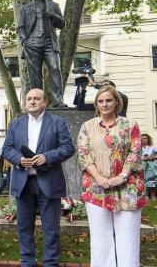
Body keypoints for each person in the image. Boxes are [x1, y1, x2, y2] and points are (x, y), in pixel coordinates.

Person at [1, 88, 75, 267]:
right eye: (29, 99)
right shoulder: (16, 124)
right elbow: (6, 149)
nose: (32, 101)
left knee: (51, 229)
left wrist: (47, 157)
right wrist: (18, 159)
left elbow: (68, 147)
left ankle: (50, 263)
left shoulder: (57, 122)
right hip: (24, 183)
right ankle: (27, 262)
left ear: (45, 102)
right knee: (24, 228)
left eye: (36, 99)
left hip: (49, 182)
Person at [76, 85, 147, 267]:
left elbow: (135, 151)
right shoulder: (87, 126)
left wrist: (123, 176)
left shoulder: (130, 124)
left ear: (117, 102)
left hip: (128, 187)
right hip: (96, 188)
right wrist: (99, 178)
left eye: (109, 100)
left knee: (128, 237)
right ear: (96, 104)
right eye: (101, 101)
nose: (104, 104)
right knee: (100, 237)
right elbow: (84, 154)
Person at [17, 0, 66, 107]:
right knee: (35, 74)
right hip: (32, 43)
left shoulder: (53, 6)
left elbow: (62, 24)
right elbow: (20, 28)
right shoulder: (25, 8)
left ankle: (57, 101)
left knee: (55, 69)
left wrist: (53, 16)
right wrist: (25, 41)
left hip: (50, 42)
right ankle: (38, 101)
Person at [142, 133, 157, 199]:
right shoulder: (138, 148)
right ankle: (145, 198)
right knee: (143, 182)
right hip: (142, 167)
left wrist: (152, 157)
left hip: (151, 167)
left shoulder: (153, 147)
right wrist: (145, 158)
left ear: (148, 139)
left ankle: (153, 198)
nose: (143, 140)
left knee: (152, 183)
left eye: (145, 138)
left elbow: (156, 155)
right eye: (142, 138)